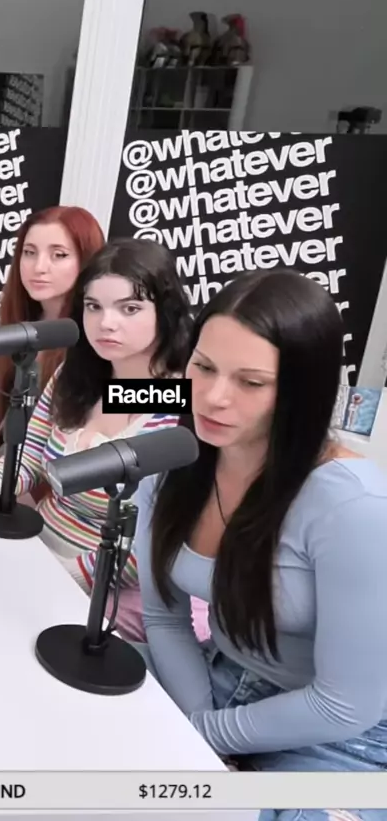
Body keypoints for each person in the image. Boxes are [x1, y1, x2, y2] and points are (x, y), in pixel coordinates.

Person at [132, 269, 387, 821]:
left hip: (340, 739)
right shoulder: (173, 464)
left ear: (301, 391)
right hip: (217, 679)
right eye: (203, 367)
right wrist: (199, 727)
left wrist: (206, 736)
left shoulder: (355, 505)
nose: (214, 398)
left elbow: (347, 703)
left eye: (250, 382)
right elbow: (164, 616)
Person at [0, 238, 208, 642]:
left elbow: (149, 544)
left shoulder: (184, 408)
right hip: (33, 550)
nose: (106, 323)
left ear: (165, 312)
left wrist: (58, 578)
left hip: (105, 596)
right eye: (93, 306)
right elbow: (28, 460)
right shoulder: (76, 379)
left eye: (129, 308)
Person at [0, 205, 105, 465]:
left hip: (33, 478)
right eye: (29, 253)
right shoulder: (21, 324)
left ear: (87, 261)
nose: (39, 267)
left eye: (59, 255)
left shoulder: (96, 343)